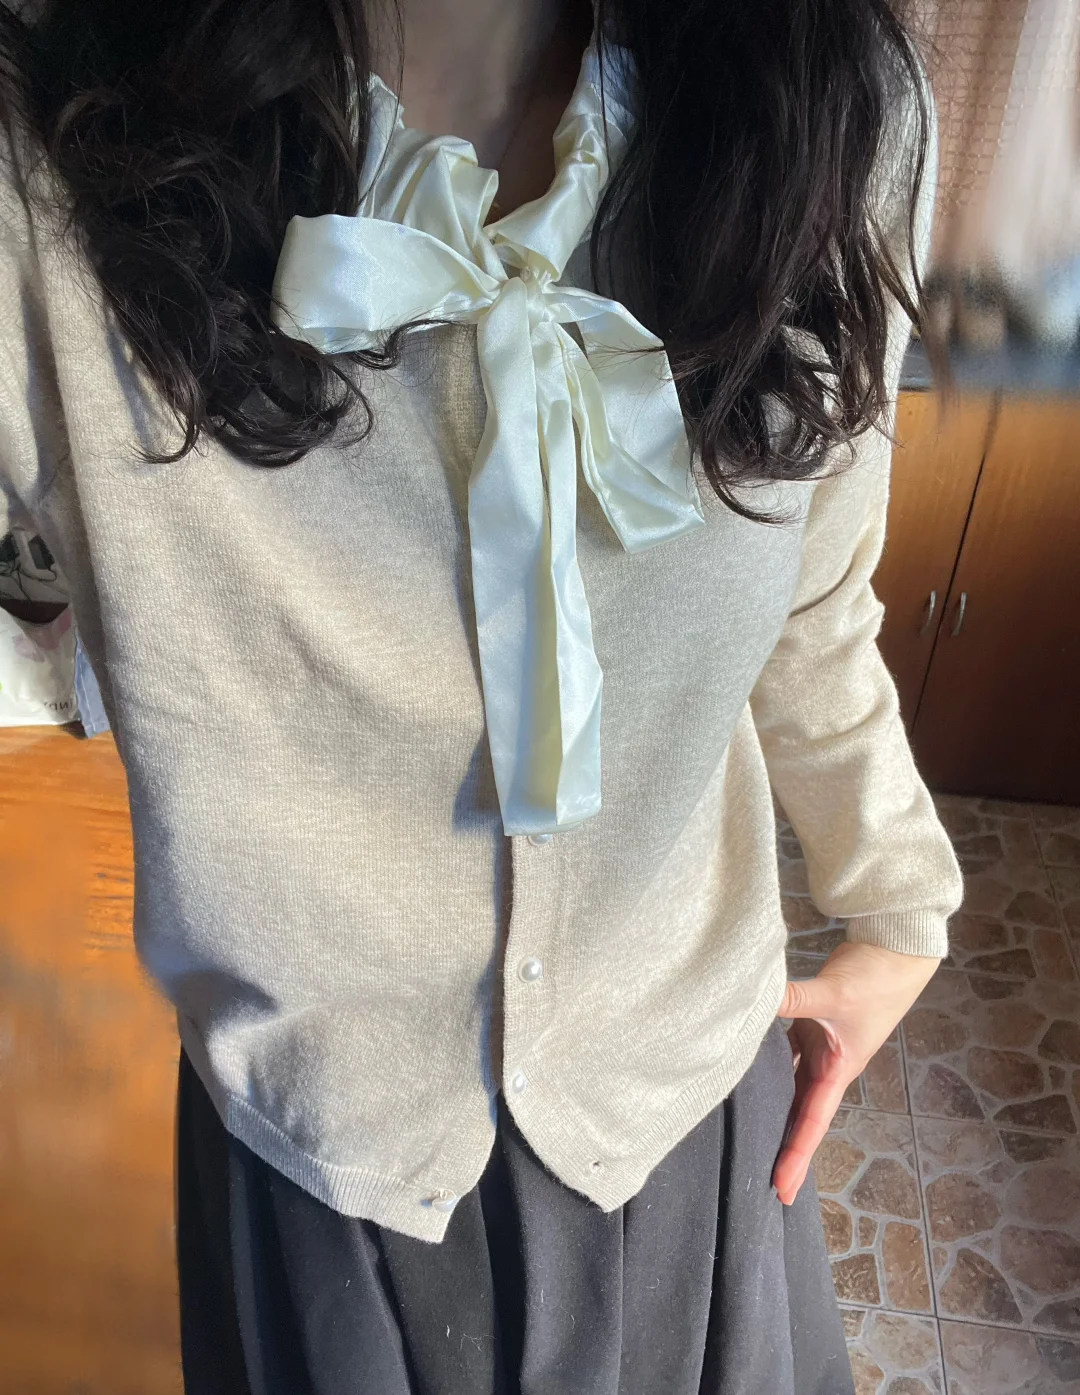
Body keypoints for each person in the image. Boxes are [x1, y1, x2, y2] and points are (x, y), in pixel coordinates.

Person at [0, 0, 963, 1390]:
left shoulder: (840, 110)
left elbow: (813, 602)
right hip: (327, 1165)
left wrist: (900, 901)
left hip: (682, 1114)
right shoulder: (51, 152)